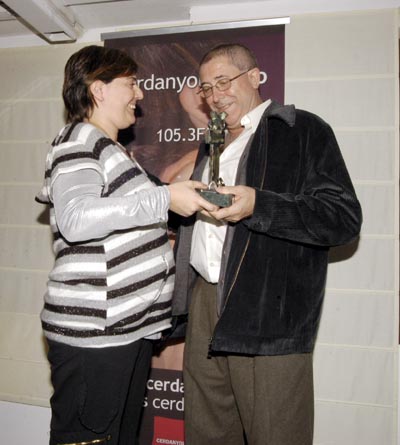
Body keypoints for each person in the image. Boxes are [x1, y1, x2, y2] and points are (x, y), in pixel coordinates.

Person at [172, 43, 362, 445]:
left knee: (276, 433)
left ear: (255, 77)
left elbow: (341, 219)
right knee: (207, 430)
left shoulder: (302, 130)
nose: (215, 95)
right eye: (206, 88)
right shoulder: (212, 141)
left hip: (268, 308)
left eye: (224, 81)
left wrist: (259, 205)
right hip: (205, 300)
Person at [35, 45, 216, 445]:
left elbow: (125, 217)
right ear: (98, 90)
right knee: (91, 438)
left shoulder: (112, 149)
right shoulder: (79, 139)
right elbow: (76, 218)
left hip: (126, 329)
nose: (140, 94)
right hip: (94, 334)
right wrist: (165, 198)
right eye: (131, 84)